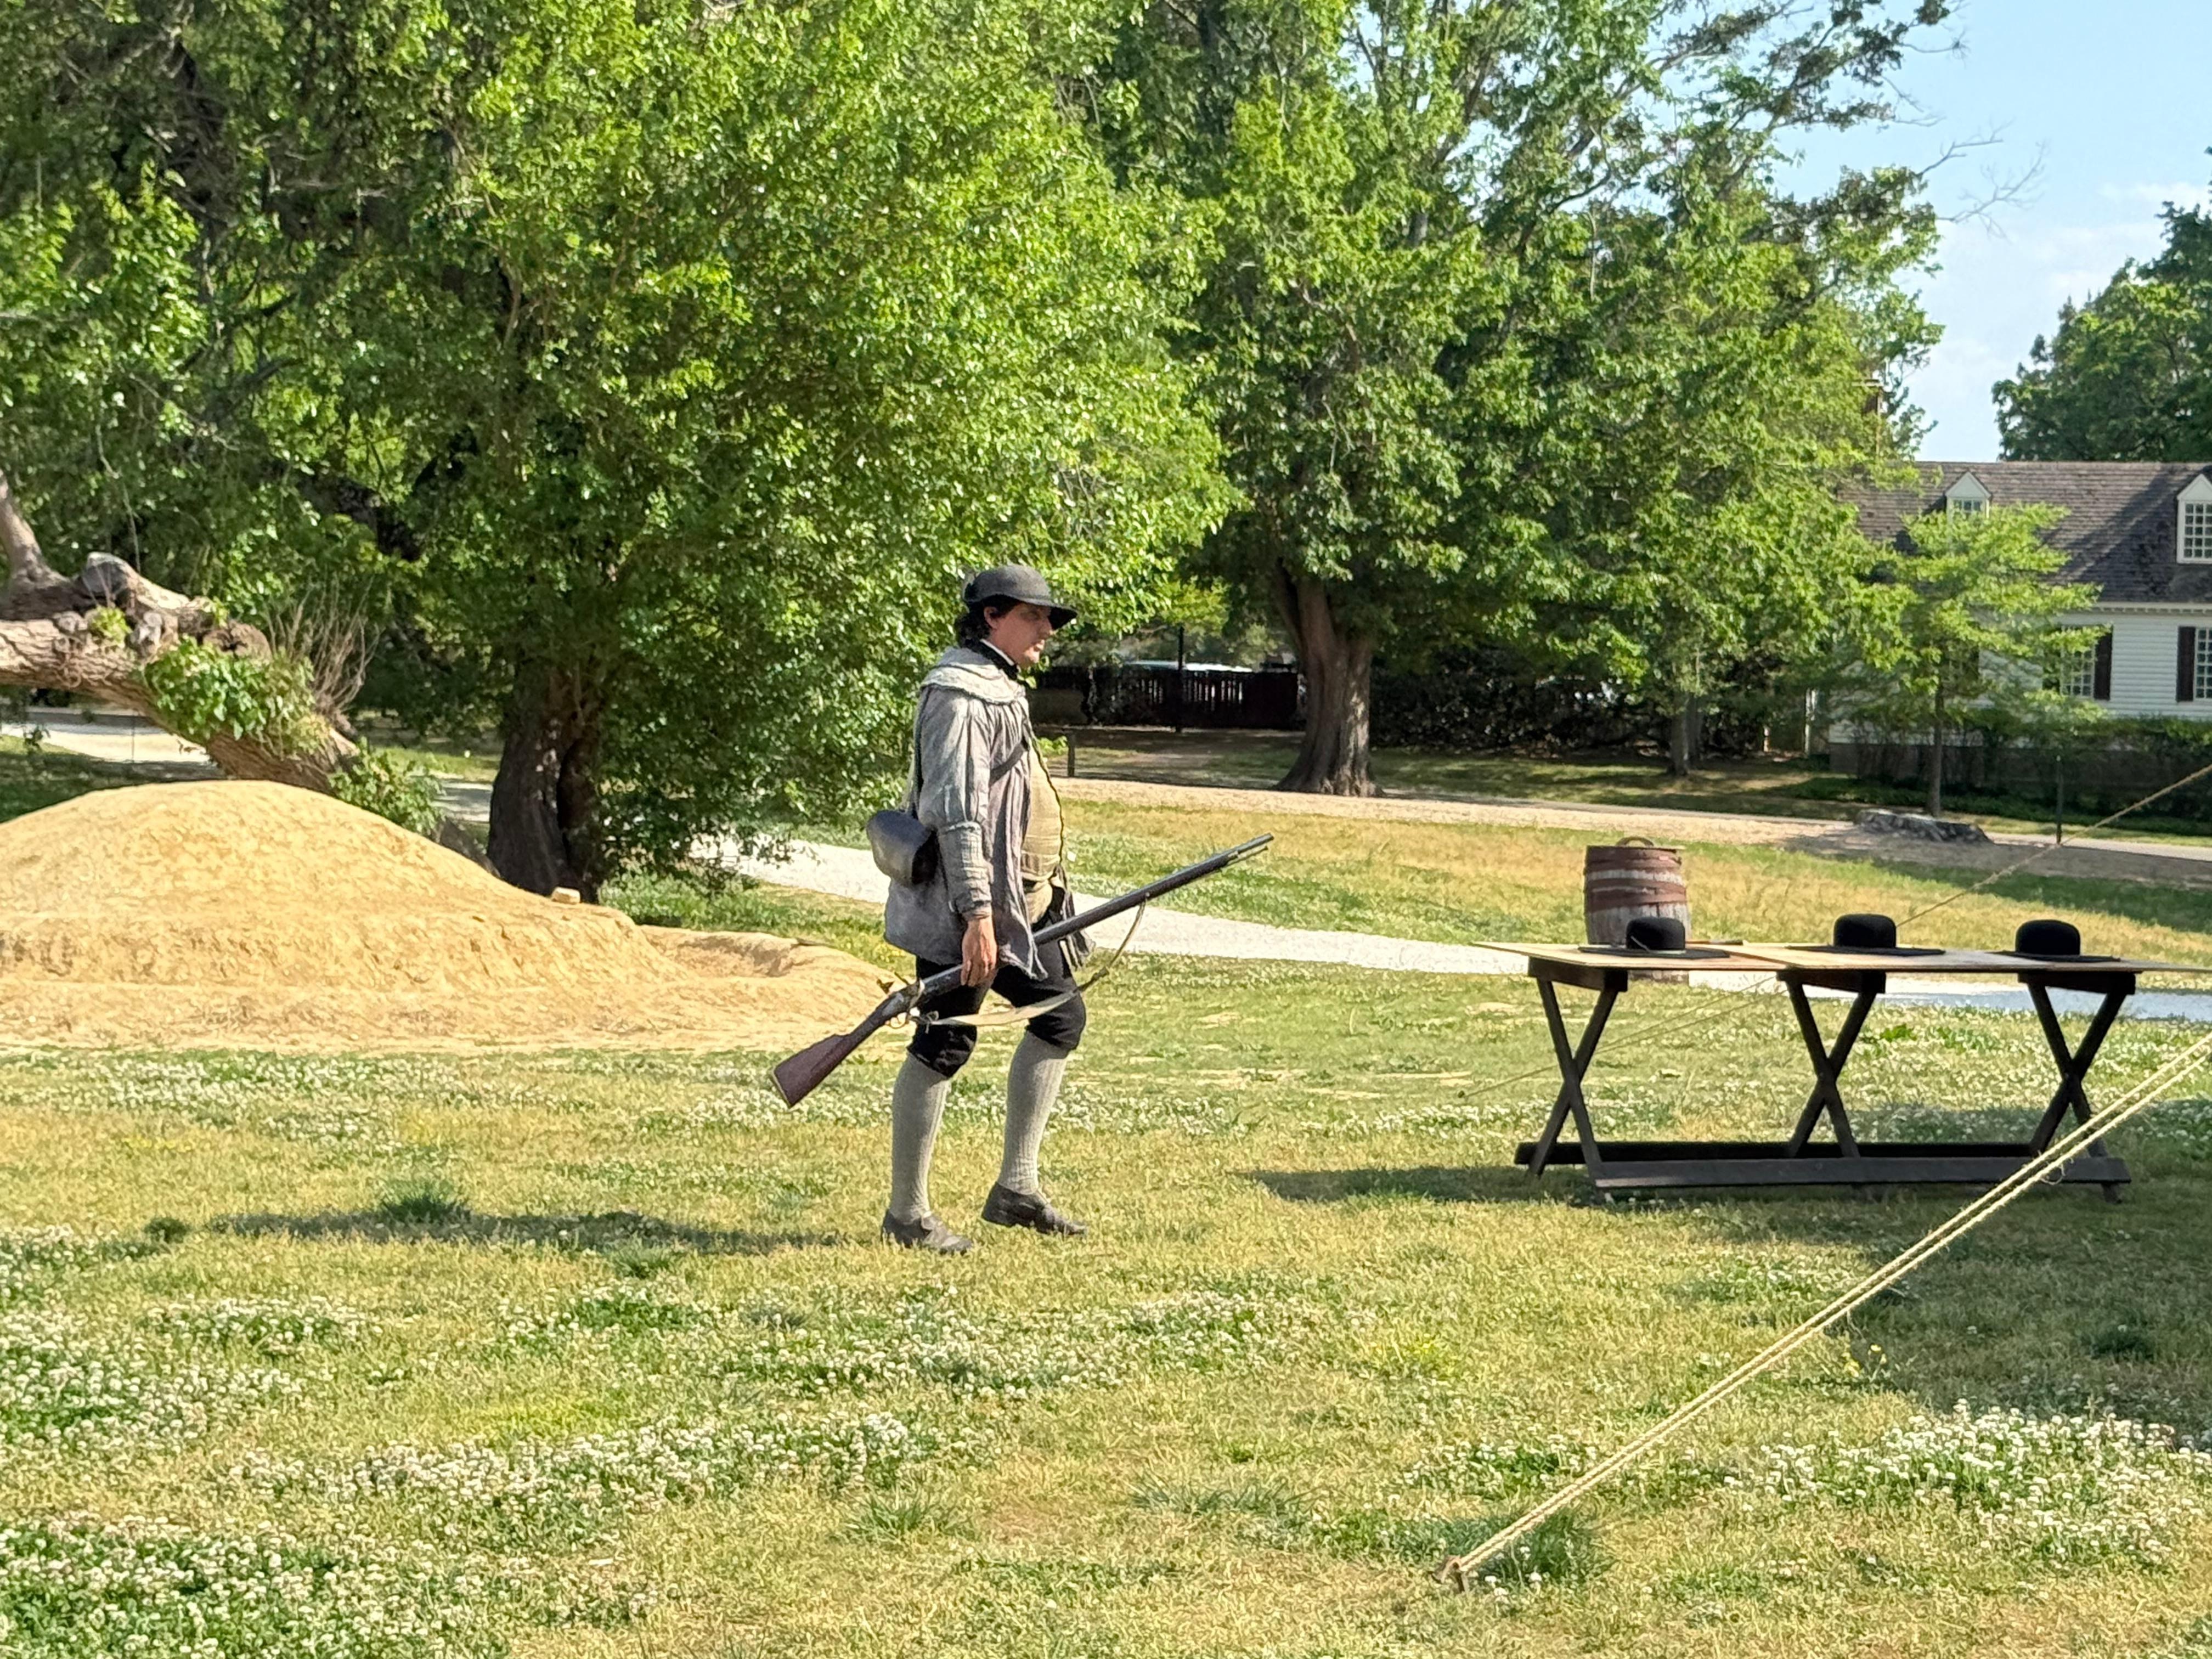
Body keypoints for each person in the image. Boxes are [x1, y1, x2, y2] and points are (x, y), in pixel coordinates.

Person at [879, 565, 1088, 1253]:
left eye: (1051, 619)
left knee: (1060, 1017)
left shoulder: (995, 684)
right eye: (1036, 617)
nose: (1048, 632)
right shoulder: (961, 693)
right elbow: (959, 816)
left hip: (1016, 904)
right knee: (944, 1042)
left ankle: (1016, 1190)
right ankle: (907, 1215)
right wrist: (975, 916)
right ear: (994, 616)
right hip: (965, 910)